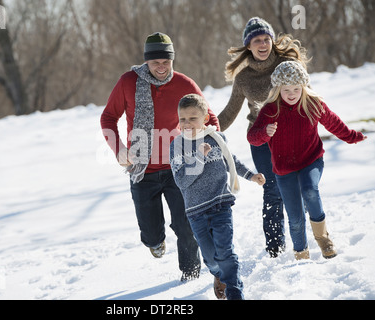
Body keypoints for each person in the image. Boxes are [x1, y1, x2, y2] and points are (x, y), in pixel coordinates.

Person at [100, 32, 220, 281]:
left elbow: (210, 118)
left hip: (180, 167)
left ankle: (190, 277)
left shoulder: (185, 84)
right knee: (151, 233)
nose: (162, 68)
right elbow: (108, 118)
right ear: (146, 62)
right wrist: (119, 149)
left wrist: (208, 143)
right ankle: (155, 242)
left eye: (167, 62)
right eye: (156, 63)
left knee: (186, 227)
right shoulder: (128, 83)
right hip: (142, 170)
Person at [247, 61, 367, 260]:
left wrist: (352, 136)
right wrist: (265, 133)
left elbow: (334, 123)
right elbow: (252, 137)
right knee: (294, 217)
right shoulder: (270, 109)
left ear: (304, 87)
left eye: (296, 88)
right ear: (278, 89)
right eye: (286, 89)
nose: (292, 93)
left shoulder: (312, 104)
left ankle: (324, 240)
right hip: (283, 168)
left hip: (311, 160)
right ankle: (301, 253)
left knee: (310, 190)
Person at [217, 17, 310, 258]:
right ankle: (275, 248)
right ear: (248, 45)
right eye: (257, 40)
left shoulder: (287, 64)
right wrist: (206, 130)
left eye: (266, 39)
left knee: (294, 186)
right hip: (260, 138)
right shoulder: (244, 78)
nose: (263, 44)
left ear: (272, 41)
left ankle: (301, 240)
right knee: (271, 189)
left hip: (290, 135)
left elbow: (306, 95)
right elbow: (229, 112)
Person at [170, 94, 266, 300]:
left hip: (221, 204)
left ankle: (234, 290)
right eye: (182, 119)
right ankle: (218, 275)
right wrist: (198, 158)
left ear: (205, 119)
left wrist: (251, 175)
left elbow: (232, 161)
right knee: (212, 259)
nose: (187, 123)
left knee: (225, 253)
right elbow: (181, 181)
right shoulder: (177, 146)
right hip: (196, 211)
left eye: (192, 118)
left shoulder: (217, 138)